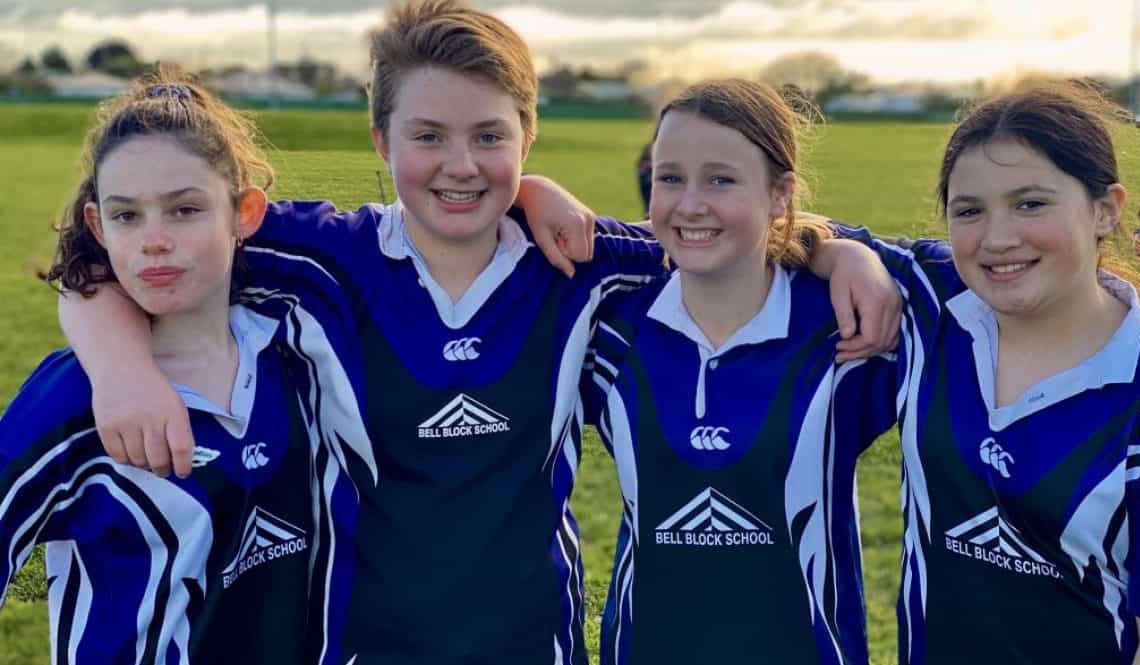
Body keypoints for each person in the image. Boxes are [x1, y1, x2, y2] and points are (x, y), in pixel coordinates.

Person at [54, 2, 899, 662]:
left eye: (489, 137)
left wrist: (837, 250)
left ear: (526, 139)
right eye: (428, 137)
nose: (460, 165)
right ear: (381, 139)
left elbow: (728, 225)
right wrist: (118, 363)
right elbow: (124, 254)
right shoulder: (324, 256)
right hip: (364, 650)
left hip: (538, 647)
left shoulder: (581, 262)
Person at [0, 69, 363, 663]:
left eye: (185, 210)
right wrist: (122, 372)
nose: (154, 241)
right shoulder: (75, 395)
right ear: (97, 225)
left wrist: (532, 193)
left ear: (244, 213)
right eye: (126, 216)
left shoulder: (302, 348)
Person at [815, 79, 1140, 664]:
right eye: (969, 211)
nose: (998, 239)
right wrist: (846, 254)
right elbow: (771, 226)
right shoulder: (932, 300)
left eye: (1031, 204)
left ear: (1106, 210)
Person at [582, 78, 898, 665]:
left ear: (781, 194)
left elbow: (974, 270)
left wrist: (849, 249)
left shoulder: (844, 321)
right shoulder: (610, 317)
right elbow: (513, 238)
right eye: (669, 177)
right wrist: (535, 190)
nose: (690, 202)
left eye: (721, 179)